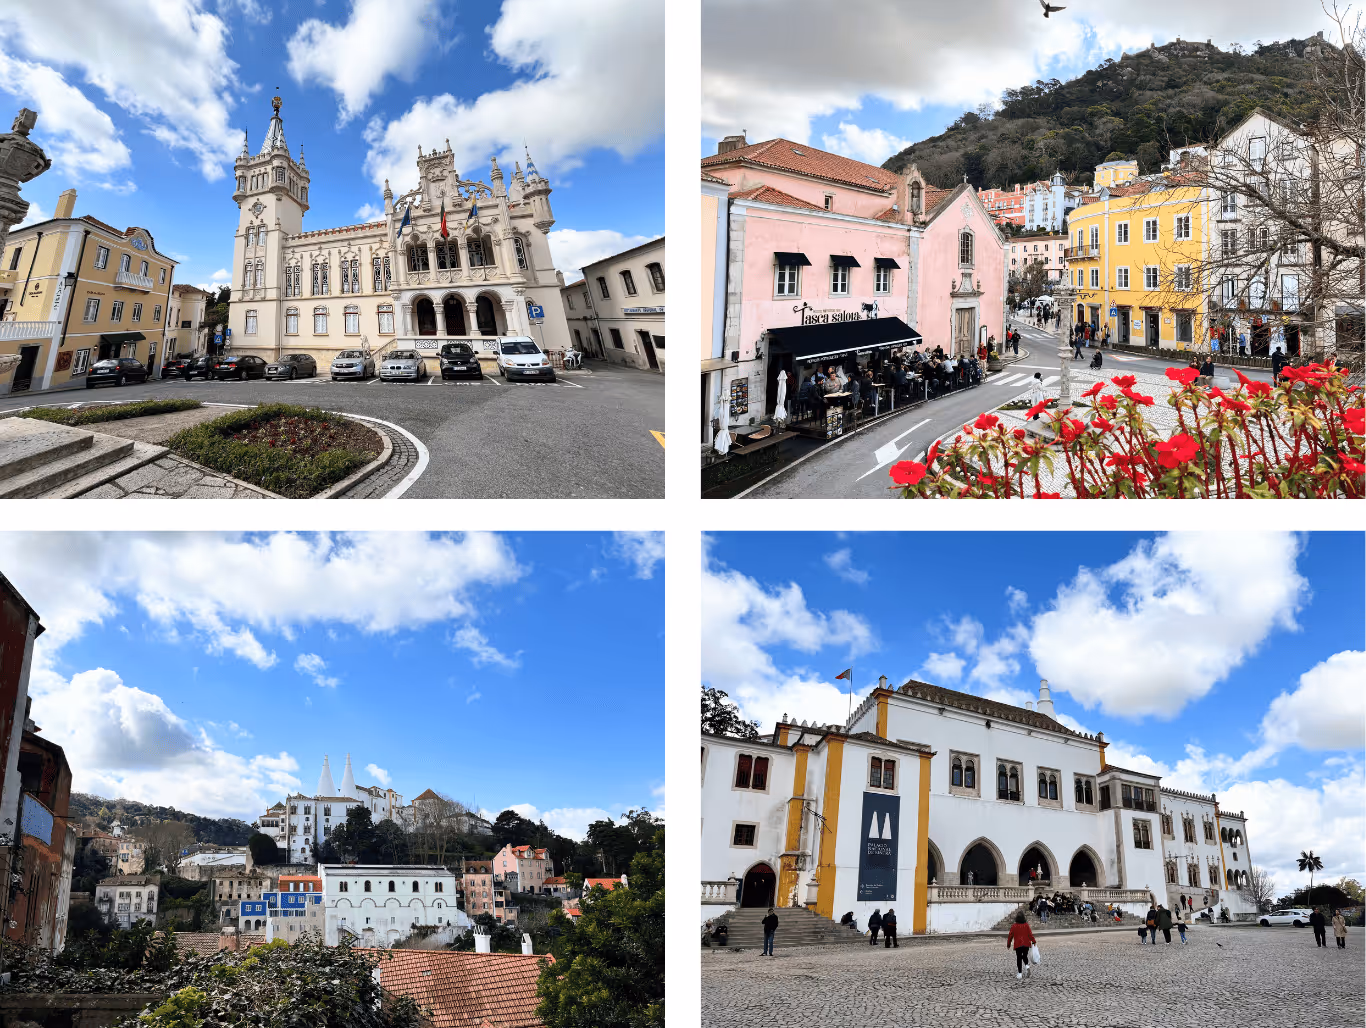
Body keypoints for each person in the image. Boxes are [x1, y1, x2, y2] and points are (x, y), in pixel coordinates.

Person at [1007, 911, 1036, 980]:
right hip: (1026, 944)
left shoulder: (1014, 926)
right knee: (1024, 956)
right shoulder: (1026, 925)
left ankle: (1020, 973)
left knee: (1019, 958)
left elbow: (1010, 936)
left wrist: (1008, 944)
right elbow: (1030, 934)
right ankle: (1027, 966)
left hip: (1018, 944)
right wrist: (1034, 941)